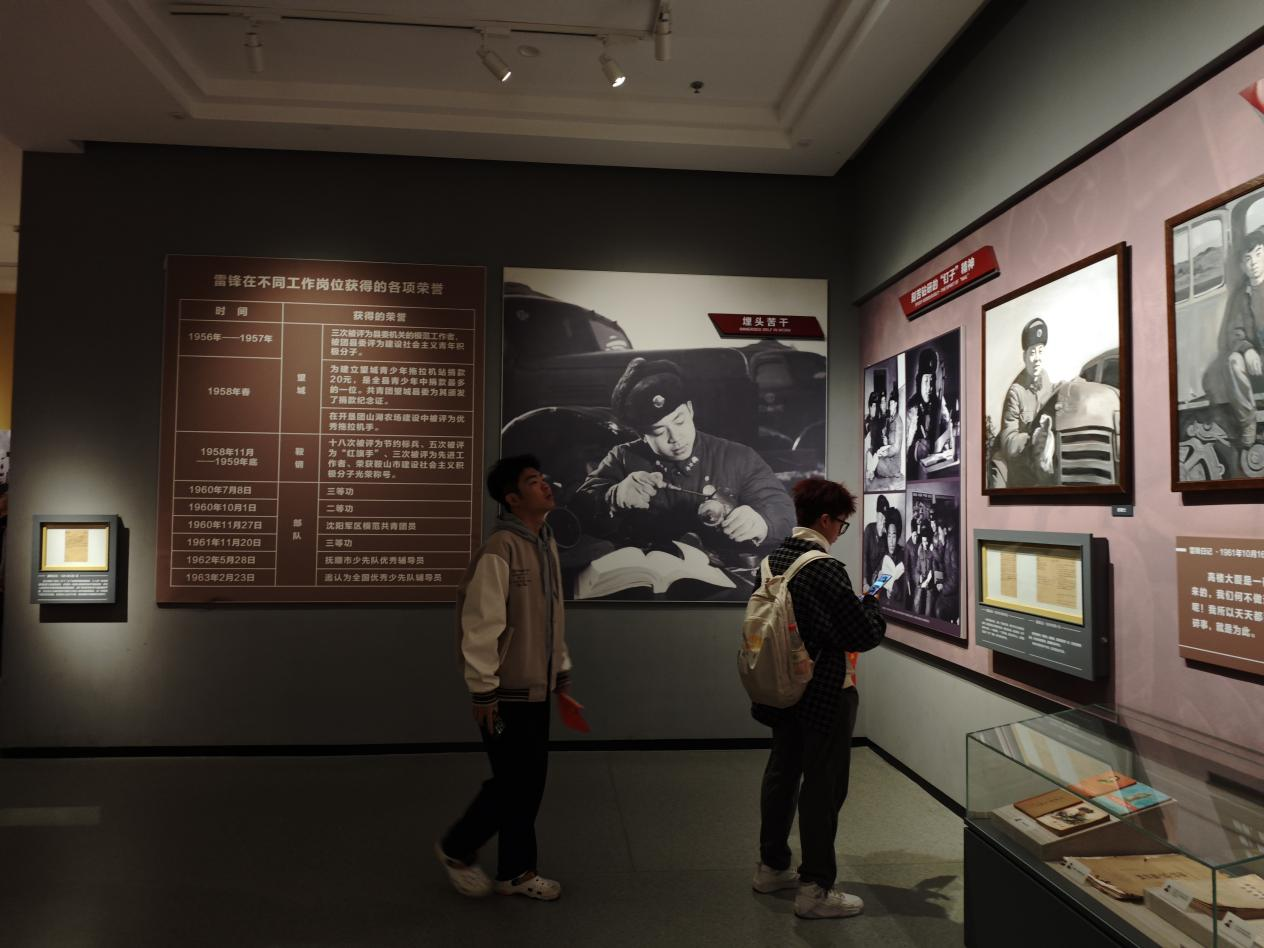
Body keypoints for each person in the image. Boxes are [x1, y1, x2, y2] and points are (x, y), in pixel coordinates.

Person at [437, 455, 572, 902]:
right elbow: (480, 625)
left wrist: (560, 668)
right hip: (504, 693)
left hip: (535, 686)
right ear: (512, 499)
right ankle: (458, 848)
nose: (545, 485)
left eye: (543, 478)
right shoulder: (501, 549)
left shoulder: (544, 541)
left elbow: (550, 615)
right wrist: (483, 691)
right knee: (515, 783)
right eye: (533, 481)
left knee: (526, 783)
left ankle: (514, 871)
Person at [750, 478, 887, 920]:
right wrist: (872, 603)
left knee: (782, 773)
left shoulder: (772, 559)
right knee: (823, 787)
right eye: (842, 524)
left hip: (782, 687)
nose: (840, 531)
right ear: (826, 519)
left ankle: (772, 866)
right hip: (825, 691)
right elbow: (862, 634)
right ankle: (815, 887)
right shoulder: (824, 567)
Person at [572, 358, 795, 565]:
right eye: (659, 431)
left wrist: (762, 523)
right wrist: (612, 497)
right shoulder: (622, 458)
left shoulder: (738, 457)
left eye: (679, 421)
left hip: (724, 578)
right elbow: (576, 513)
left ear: (690, 409)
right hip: (647, 575)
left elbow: (784, 512)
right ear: (642, 435)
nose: (675, 438)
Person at [1203, 227, 1264, 448]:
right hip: (1256, 358)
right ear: (1242, 266)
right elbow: (1235, 332)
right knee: (1233, 361)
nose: (1254, 263)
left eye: (1259, 254)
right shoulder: (1241, 296)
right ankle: (1248, 422)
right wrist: (1247, 349)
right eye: (1248, 259)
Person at [994, 317, 1056, 487]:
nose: (1037, 358)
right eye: (1032, 352)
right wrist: (1033, 439)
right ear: (1024, 356)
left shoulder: (1048, 385)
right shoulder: (1015, 392)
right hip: (1021, 474)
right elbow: (1008, 442)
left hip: (1042, 472)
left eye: (1041, 351)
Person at [906, 349, 954, 478]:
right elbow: (904, 448)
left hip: (937, 466)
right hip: (916, 472)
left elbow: (947, 428)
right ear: (919, 381)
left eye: (932, 381)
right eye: (926, 381)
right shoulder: (911, 408)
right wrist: (916, 449)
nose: (930, 387)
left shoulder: (938, 403)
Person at [861, 494, 888, 587]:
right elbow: (864, 555)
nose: (883, 521)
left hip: (877, 577)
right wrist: (864, 580)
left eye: (884, 519)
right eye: (881, 518)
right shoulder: (869, 529)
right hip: (865, 576)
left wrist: (877, 573)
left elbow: (884, 559)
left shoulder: (885, 536)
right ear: (877, 517)